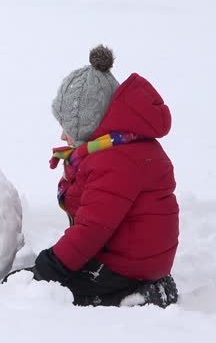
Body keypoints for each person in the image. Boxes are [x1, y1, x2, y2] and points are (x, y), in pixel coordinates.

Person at [25, 45, 179, 307]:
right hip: (143, 258)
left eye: (67, 126)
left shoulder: (114, 161)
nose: (63, 135)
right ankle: (149, 283)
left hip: (125, 264)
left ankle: (137, 295)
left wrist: (48, 268)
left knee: (64, 293)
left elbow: (92, 229)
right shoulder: (125, 146)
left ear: (89, 123)